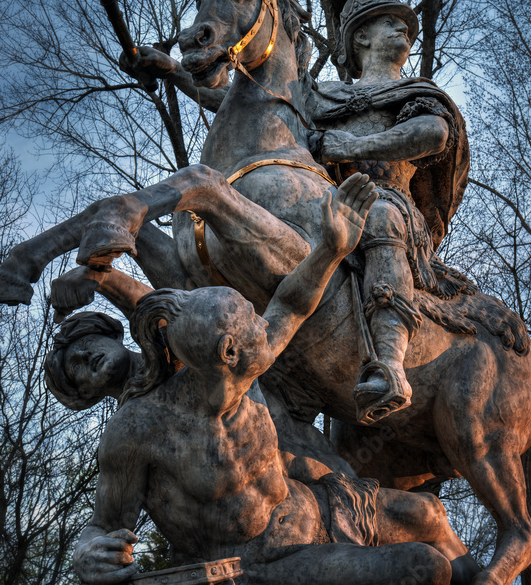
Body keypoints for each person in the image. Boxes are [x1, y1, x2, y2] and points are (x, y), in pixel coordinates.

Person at [119, 0, 469, 424]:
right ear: (361, 38)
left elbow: (432, 133)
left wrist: (353, 148)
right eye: (391, 22)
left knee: (381, 215)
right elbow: (240, 104)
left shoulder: (413, 91)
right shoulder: (320, 95)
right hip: (320, 203)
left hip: (384, 200)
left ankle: (389, 362)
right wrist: (173, 69)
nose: (403, 29)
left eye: (404, 24)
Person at [70, 174, 478, 585]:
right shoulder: (140, 430)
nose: (263, 323)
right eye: (251, 319)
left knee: (428, 513)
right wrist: (87, 554)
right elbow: (103, 524)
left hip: (314, 508)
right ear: (229, 352)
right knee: (424, 568)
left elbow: (292, 301)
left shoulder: (242, 372)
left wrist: (333, 248)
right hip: (264, 562)